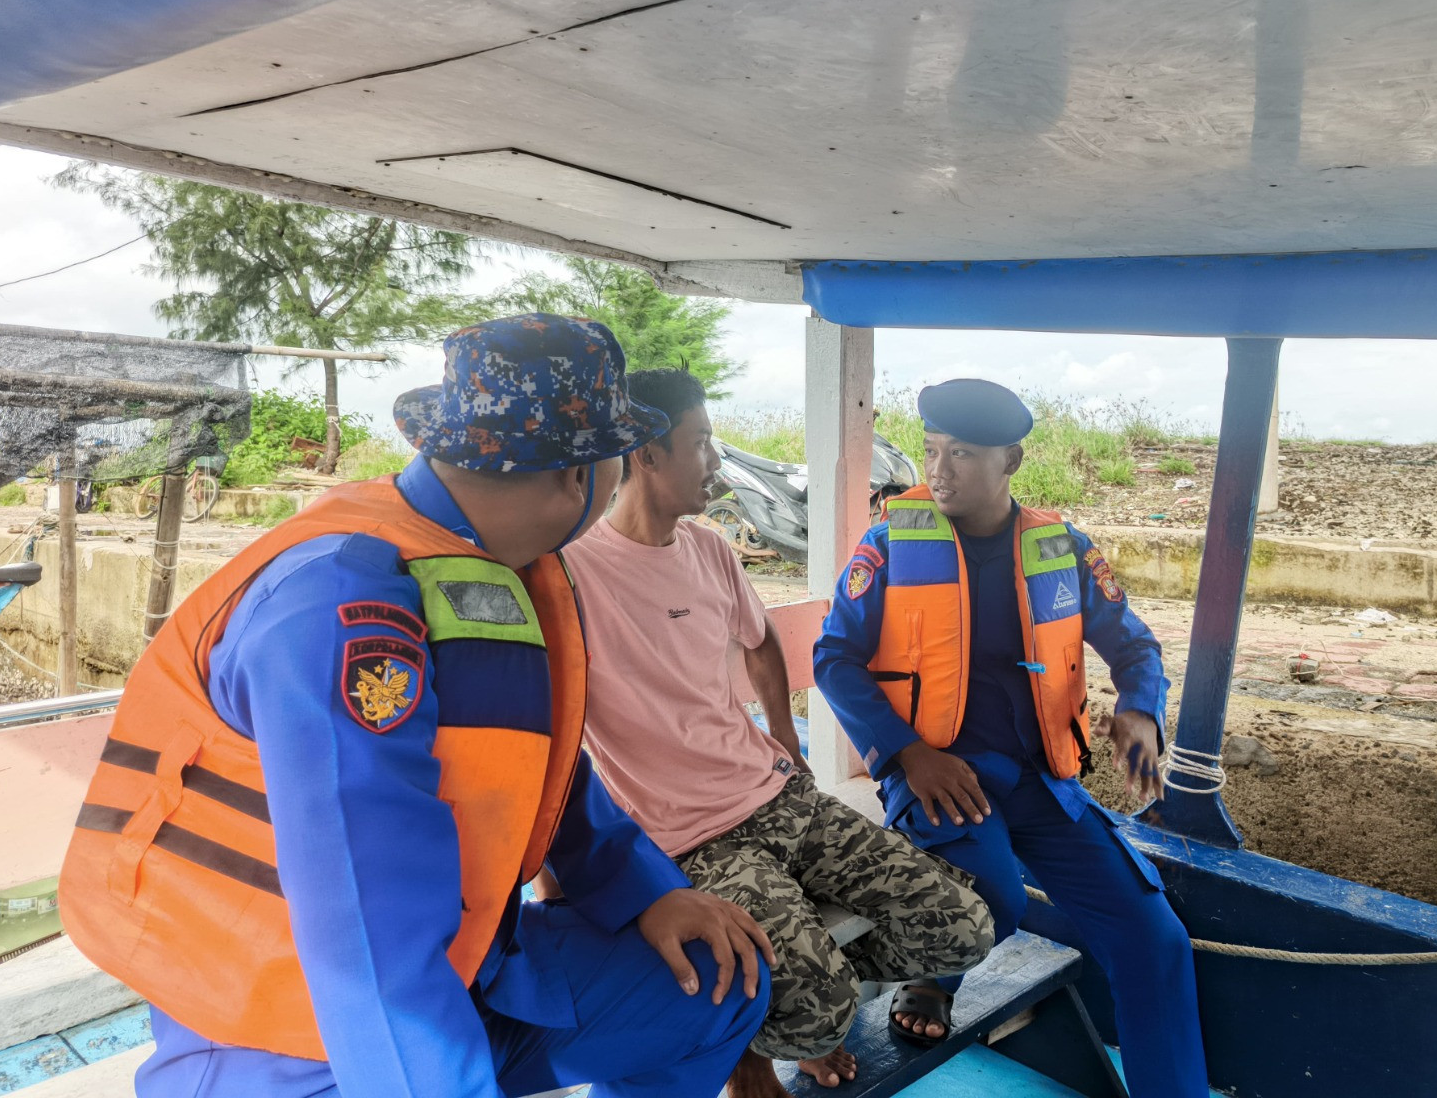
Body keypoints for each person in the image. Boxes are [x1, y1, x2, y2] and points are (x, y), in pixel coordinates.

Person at [58, 316, 775, 1098]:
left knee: (716, 977)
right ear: (581, 477)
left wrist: (648, 892)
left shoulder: (494, 568)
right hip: (294, 1032)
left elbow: (535, 770)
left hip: (467, 970)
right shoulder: (346, 602)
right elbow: (363, 930)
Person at [561, 369, 993, 1098]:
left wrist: (786, 741)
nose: (716, 462)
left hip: (777, 797)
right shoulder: (573, 573)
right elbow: (551, 728)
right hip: (692, 839)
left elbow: (761, 641)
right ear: (647, 456)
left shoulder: (709, 550)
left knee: (962, 928)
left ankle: (772, 1005)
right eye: (700, 444)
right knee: (819, 1015)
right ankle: (751, 1043)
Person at [812, 379, 1209, 1098]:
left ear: (1012, 461)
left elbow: (1135, 647)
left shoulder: (1060, 550)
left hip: (1039, 784)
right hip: (938, 776)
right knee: (994, 898)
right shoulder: (891, 547)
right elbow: (833, 659)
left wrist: (1142, 710)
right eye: (933, 450)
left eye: (961, 454)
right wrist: (907, 753)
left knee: (1156, 943)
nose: (939, 470)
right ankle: (928, 978)